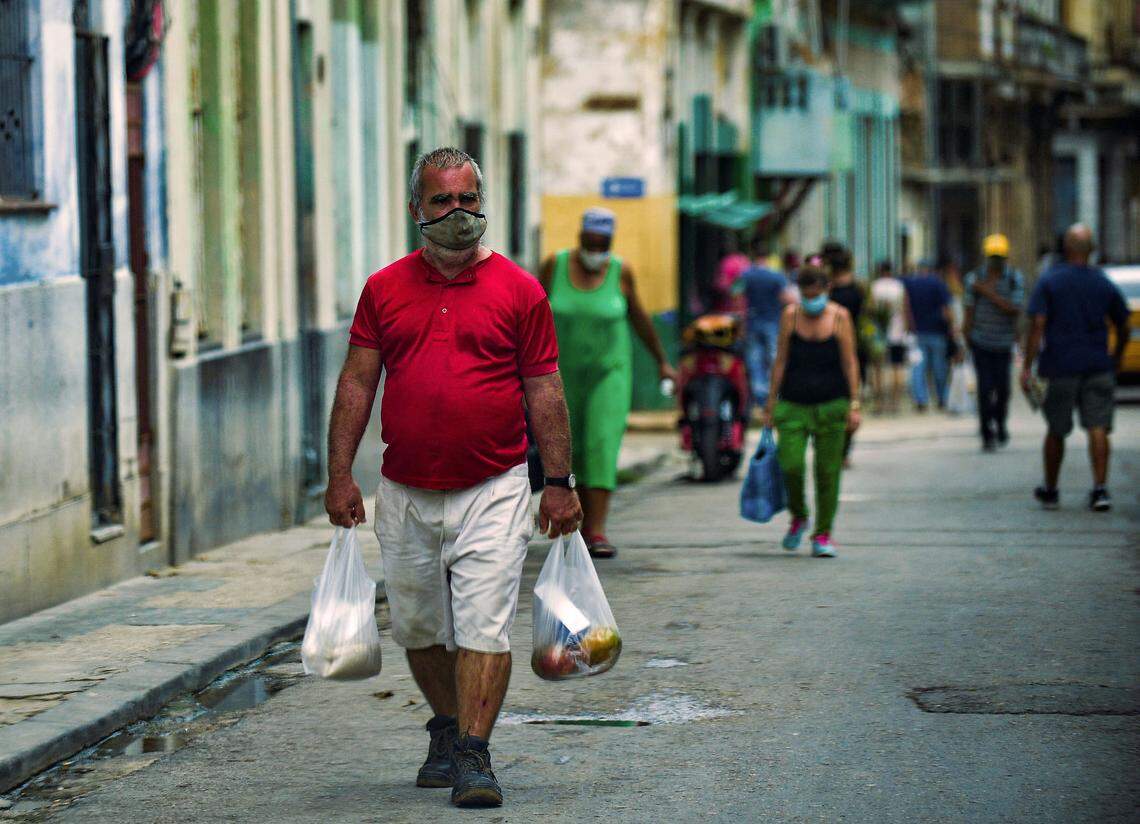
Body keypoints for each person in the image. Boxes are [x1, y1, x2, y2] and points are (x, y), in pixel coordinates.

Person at [326, 147, 583, 809]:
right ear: (418, 209)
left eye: (468, 199)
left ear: (483, 202)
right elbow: (357, 383)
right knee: (417, 625)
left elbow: (545, 390)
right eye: (443, 201)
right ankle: (446, 725)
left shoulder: (520, 290)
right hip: (405, 488)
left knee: (483, 625)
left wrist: (559, 481)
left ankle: (474, 753)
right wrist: (339, 475)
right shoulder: (384, 288)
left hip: (493, 485)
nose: (458, 213)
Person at [539, 208, 675, 558]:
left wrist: (662, 361)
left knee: (600, 443)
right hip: (560, 374)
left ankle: (596, 530)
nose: (596, 248)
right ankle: (574, 525)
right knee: (572, 449)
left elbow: (640, 318)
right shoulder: (555, 265)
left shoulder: (621, 271)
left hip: (609, 373)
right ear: (580, 236)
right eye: (591, 241)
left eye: (603, 243)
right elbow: (530, 313)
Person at [1022, 223, 1129, 512]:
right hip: (1097, 365)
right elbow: (1124, 323)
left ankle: (1052, 490)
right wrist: (1116, 355)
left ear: (1065, 248)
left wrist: (1027, 366)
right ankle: (1100, 489)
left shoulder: (1050, 281)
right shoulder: (1103, 282)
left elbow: (1037, 326)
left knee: (1056, 429)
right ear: (1091, 250)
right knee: (1098, 427)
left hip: (1059, 367)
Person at [763, 261, 862, 559]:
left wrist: (854, 404)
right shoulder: (790, 316)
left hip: (832, 405)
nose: (811, 301)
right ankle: (799, 515)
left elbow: (850, 362)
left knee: (828, 472)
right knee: (790, 464)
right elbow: (780, 360)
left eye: (816, 294)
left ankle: (822, 533)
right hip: (793, 404)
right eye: (806, 295)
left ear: (827, 290)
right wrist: (771, 403)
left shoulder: (841, 318)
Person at [963, 233, 1024, 451]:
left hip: (1004, 343)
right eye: (992, 257)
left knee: (1003, 389)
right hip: (981, 343)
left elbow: (1014, 308)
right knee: (984, 389)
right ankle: (986, 432)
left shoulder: (1014, 278)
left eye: (999, 257)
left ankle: (1000, 422)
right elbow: (968, 311)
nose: (995, 261)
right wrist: (966, 338)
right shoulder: (973, 279)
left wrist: (987, 292)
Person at [738, 236, 796, 407]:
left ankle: (760, 396)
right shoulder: (776, 277)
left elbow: (736, 296)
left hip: (752, 322)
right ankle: (775, 394)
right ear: (768, 256)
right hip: (773, 323)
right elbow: (788, 298)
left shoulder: (746, 275)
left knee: (754, 360)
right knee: (774, 359)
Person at [821, 242, 865, 467]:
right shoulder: (858, 288)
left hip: (830, 347)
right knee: (850, 398)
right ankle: (843, 449)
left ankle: (835, 446)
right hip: (854, 346)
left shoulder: (827, 290)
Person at [905, 261, 960, 410]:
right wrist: (952, 327)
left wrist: (909, 325)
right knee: (939, 367)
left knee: (918, 367)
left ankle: (921, 399)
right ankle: (942, 398)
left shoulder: (911, 283)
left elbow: (906, 305)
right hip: (938, 332)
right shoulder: (938, 283)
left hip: (918, 332)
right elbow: (947, 308)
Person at [869, 260, 910, 412]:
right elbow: (905, 308)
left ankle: (878, 404)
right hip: (897, 331)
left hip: (878, 332)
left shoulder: (875, 287)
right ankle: (895, 403)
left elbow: (870, 309)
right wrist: (906, 328)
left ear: (880, 271)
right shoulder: (899, 286)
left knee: (877, 368)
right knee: (897, 366)